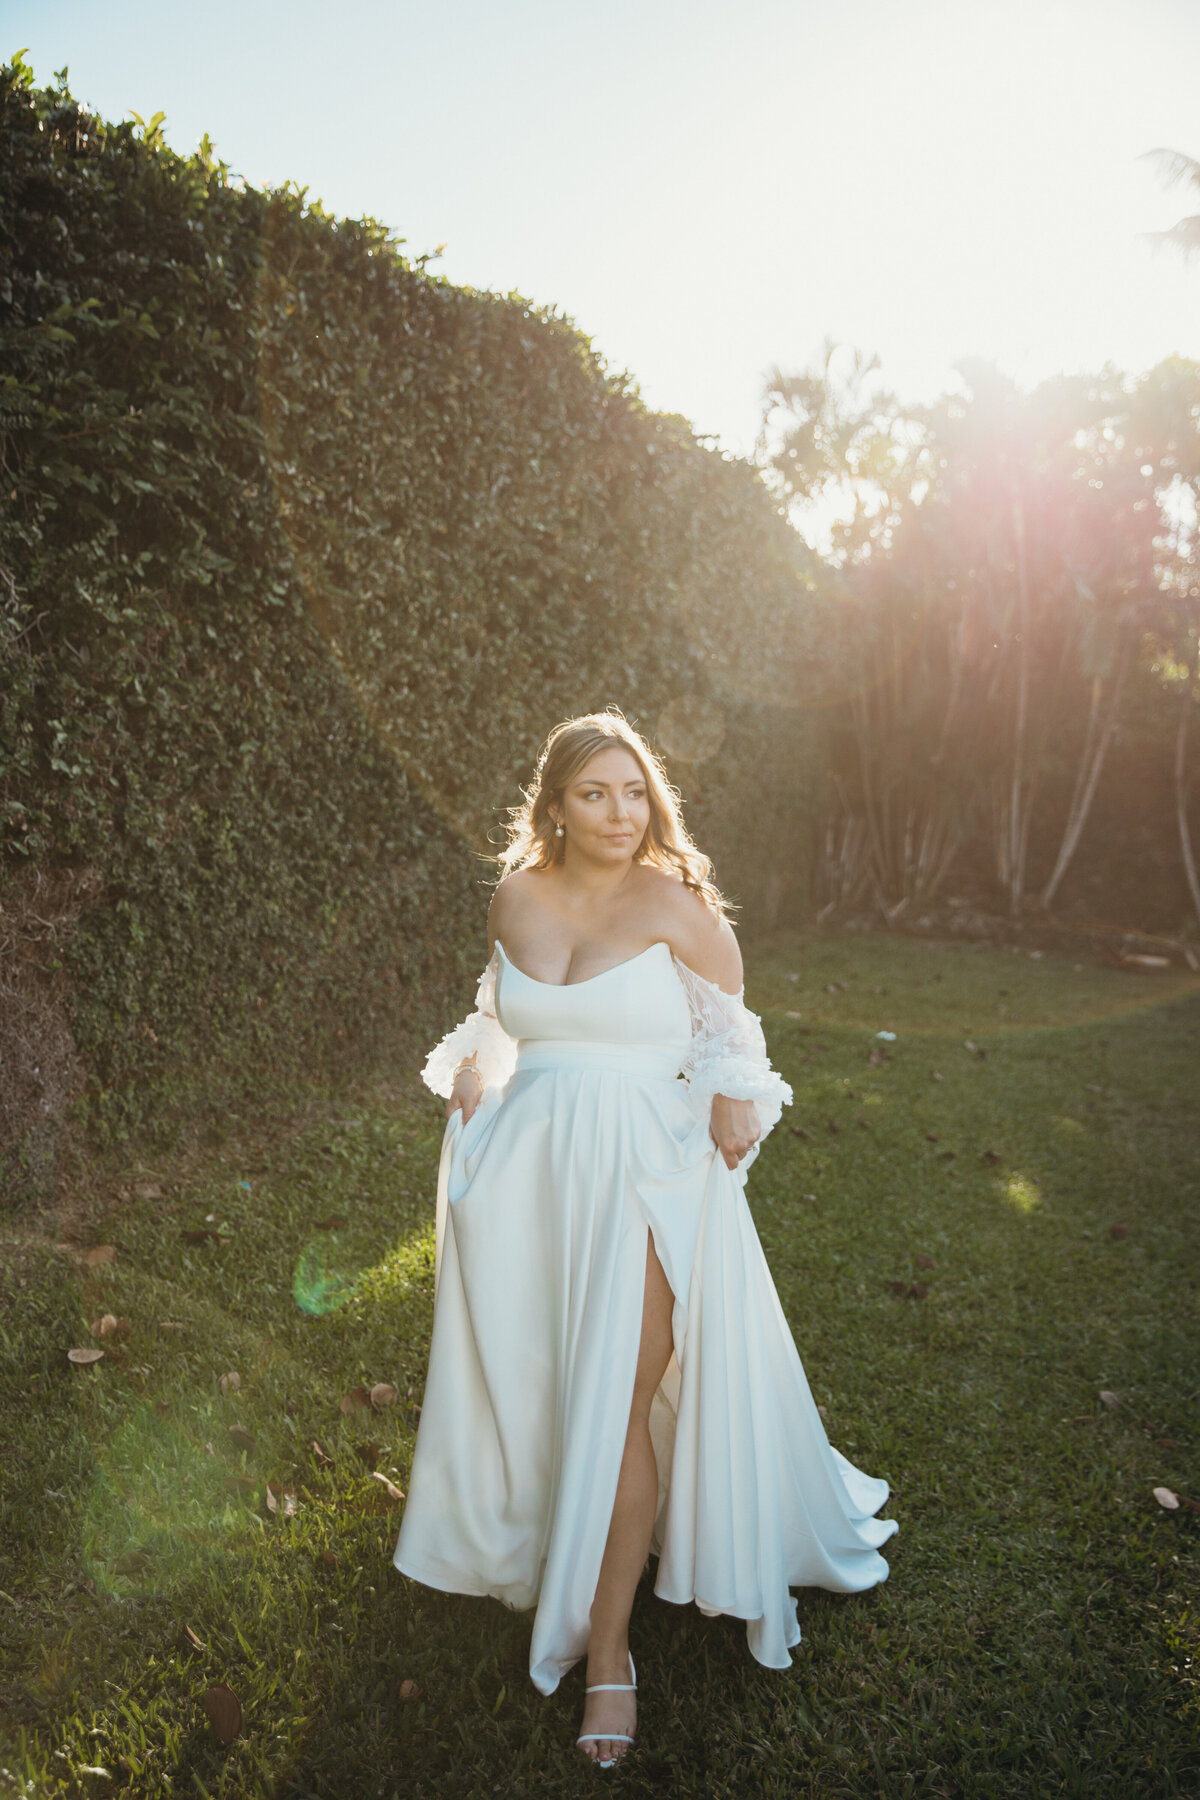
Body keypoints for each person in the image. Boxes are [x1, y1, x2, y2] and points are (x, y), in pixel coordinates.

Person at [393, 709, 898, 1769]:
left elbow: (733, 1041)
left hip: (643, 1180)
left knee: (622, 1399)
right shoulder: (516, 896)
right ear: (555, 807)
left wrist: (727, 1099)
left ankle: (609, 1649)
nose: (620, 815)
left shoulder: (682, 910)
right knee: (555, 1386)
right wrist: (476, 1071)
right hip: (529, 1180)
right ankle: (553, 1537)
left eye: (635, 793)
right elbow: (502, 1011)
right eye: (595, 795)